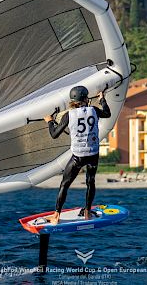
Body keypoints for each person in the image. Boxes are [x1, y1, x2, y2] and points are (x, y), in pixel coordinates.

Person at [43, 85, 111, 224]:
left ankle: (56, 216)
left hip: (78, 156)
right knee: (90, 182)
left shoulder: (69, 115)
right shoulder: (94, 110)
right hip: (93, 153)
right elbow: (107, 113)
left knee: (65, 184)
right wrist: (102, 99)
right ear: (85, 99)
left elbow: (54, 134)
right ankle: (87, 212)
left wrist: (50, 121)